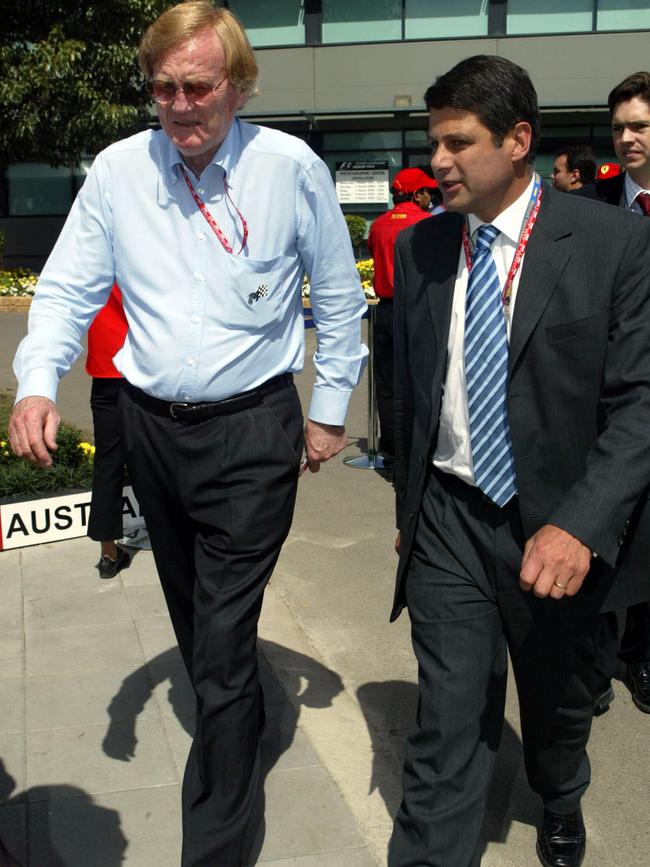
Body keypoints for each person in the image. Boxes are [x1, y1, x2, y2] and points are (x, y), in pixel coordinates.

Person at [8, 3, 367, 865]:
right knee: (197, 624)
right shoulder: (121, 170)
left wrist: (327, 411)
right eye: (162, 87)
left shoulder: (290, 168)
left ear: (238, 86)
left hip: (251, 432)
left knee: (219, 648)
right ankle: (230, 710)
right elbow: (62, 289)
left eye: (197, 86)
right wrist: (34, 382)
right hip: (152, 432)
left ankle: (214, 842)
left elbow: (339, 297)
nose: (178, 105)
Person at [389, 54, 650, 867]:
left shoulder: (616, 241)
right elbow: (410, 396)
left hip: (562, 524)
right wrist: (408, 510)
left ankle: (560, 793)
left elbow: (641, 402)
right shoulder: (423, 249)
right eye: (434, 143)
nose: (439, 162)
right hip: (450, 522)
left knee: (558, 707)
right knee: (449, 723)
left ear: (518, 140)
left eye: (458, 143)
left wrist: (580, 524)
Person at [593, 71, 650, 717]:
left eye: (638, 126)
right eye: (618, 128)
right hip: (606, 399)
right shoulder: (595, 206)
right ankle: (598, 660)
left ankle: (644, 654)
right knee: (608, 526)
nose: (626, 138)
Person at [367, 168, 436, 465]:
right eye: (427, 192)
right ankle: (417, 448)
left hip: (384, 310)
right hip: (417, 309)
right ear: (416, 194)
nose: (430, 197)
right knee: (421, 381)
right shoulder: (428, 223)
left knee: (386, 383)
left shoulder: (379, 225)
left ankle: (391, 448)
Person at [86, 283, 132, 579]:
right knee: (157, 456)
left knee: (107, 463)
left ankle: (108, 554)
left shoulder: (96, 251)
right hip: (144, 367)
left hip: (104, 368)